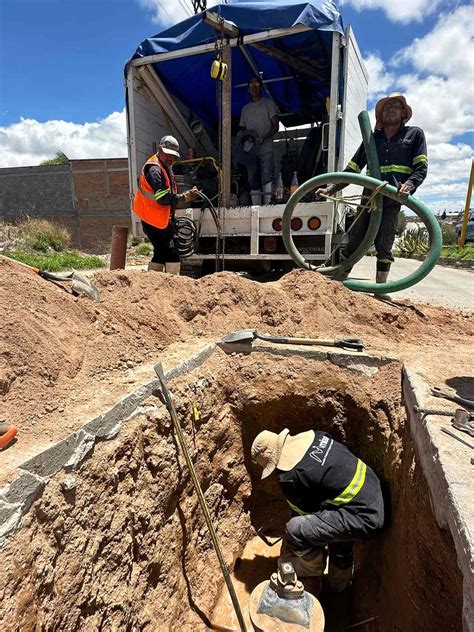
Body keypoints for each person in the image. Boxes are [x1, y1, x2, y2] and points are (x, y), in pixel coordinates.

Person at [251, 428, 384, 591]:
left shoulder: (290, 477)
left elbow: (306, 520)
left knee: (295, 529)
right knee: (339, 538)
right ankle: (340, 586)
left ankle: (311, 571)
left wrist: (294, 543)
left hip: (365, 518)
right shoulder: (315, 436)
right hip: (370, 488)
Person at [316, 93, 428, 288]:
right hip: (370, 200)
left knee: (384, 245)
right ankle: (340, 284)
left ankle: (380, 289)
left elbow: (421, 168)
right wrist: (332, 188)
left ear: (403, 113)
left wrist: (409, 185)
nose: (390, 109)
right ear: (380, 116)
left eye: (395, 106)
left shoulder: (414, 134)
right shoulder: (372, 139)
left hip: (393, 200)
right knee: (355, 241)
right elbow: (353, 169)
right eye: (386, 107)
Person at [133, 135, 199, 274]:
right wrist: (183, 197)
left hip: (157, 217)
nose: (170, 158)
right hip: (153, 218)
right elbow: (163, 198)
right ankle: (173, 285)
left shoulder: (164, 165)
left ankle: (153, 283)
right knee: (171, 252)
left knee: (161, 252)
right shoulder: (154, 170)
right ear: (159, 149)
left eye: (173, 156)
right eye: (168, 154)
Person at [239, 76, 279, 205]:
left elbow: (275, 126)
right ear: (248, 90)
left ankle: (268, 205)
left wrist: (264, 138)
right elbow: (243, 130)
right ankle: (256, 206)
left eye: (257, 85)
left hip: (266, 147)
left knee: (267, 175)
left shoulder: (268, 103)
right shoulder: (245, 109)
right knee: (252, 177)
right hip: (250, 149)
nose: (254, 88)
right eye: (251, 85)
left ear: (261, 87)